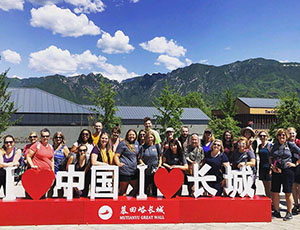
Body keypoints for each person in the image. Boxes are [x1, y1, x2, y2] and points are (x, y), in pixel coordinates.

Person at [270, 128, 300, 221]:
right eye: (279, 135)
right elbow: (271, 157)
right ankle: (276, 210)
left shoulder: (290, 145)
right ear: (277, 136)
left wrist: (295, 164)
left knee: (288, 192)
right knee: (275, 191)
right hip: (277, 171)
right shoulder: (275, 146)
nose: (281, 137)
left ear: (286, 136)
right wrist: (272, 166)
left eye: (283, 135)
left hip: (287, 170)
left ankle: (289, 212)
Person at [26, 128, 54, 198]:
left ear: (49, 137)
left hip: (46, 175)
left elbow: (52, 160)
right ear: (40, 137)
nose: (45, 138)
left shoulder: (51, 147)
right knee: (33, 195)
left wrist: (52, 171)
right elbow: (28, 156)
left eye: (47, 136)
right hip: (36, 174)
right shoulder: (36, 145)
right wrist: (32, 166)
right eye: (43, 136)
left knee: (43, 195)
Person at [114, 129, 139, 197]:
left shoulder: (137, 143)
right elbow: (116, 155)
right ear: (127, 135)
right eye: (130, 135)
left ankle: (129, 203)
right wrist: (118, 164)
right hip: (124, 171)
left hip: (134, 171)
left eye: (133, 135)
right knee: (123, 192)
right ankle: (121, 206)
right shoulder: (123, 143)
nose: (131, 136)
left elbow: (138, 156)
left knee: (136, 189)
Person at [138, 131, 162, 196]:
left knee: (154, 188)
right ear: (146, 138)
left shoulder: (157, 146)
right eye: (148, 137)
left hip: (155, 169)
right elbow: (139, 158)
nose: (150, 139)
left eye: (151, 137)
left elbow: (160, 156)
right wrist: (142, 163)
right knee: (146, 188)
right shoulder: (142, 147)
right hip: (146, 170)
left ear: (154, 138)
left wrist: (159, 165)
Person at [48, 131, 70, 198]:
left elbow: (69, 158)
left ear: (62, 139)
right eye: (56, 137)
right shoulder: (51, 147)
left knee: (60, 187)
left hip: (60, 170)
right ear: (53, 138)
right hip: (52, 169)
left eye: (60, 137)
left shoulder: (64, 148)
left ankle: (60, 202)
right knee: (50, 187)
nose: (58, 139)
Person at [287, 127, 300, 214]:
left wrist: (296, 163)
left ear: (295, 134)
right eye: (290, 133)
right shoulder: (286, 143)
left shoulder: (298, 142)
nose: (292, 135)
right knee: (293, 186)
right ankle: (296, 204)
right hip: (290, 166)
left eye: (293, 133)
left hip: (298, 165)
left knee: (299, 186)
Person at [257, 130, 272, 199]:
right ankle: (268, 200)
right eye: (261, 136)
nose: (262, 137)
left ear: (267, 137)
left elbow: (273, 157)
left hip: (268, 167)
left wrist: (271, 168)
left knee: (270, 186)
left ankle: (272, 201)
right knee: (265, 185)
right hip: (262, 167)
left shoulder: (270, 146)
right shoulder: (260, 146)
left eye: (264, 136)